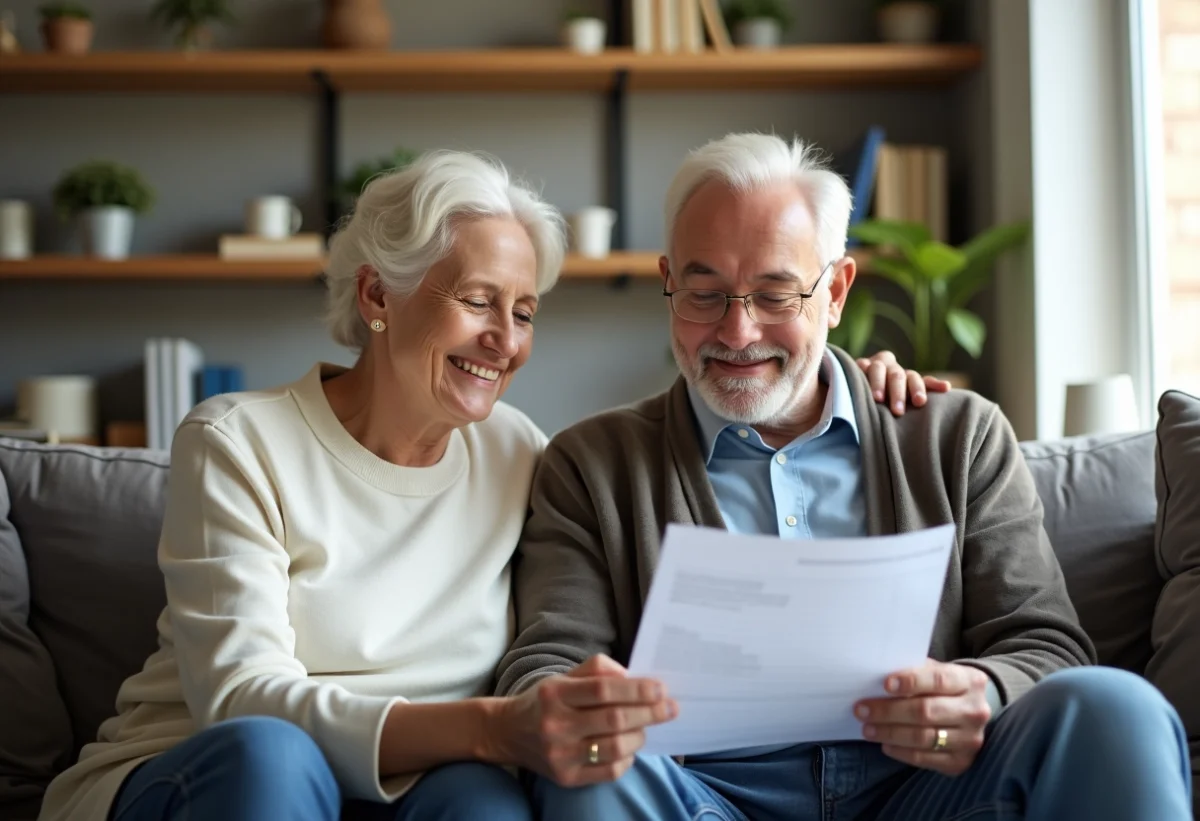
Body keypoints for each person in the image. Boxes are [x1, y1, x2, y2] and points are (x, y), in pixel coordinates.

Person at [36, 149, 941, 821]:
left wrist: (833, 373)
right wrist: (488, 728)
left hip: (429, 784)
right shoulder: (238, 440)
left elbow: (757, 374)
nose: (503, 341)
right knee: (277, 761)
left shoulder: (520, 453)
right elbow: (241, 697)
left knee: (488, 806)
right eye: (476, 301)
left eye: (524, 312)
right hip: (217, 774)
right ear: (380, 297)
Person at [495, 132, 1195, 821]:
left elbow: (1047, 644)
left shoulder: (956, 435)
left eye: (776, 294)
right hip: (700, 797)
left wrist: (979, 692)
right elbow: (546, 662)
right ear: (668, 284)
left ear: (835, 291)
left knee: (1116, 707)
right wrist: (587, 702)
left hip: (928, 788)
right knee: (588, 761)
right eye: (704, 294)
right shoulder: (590, 464)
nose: (737, 334)